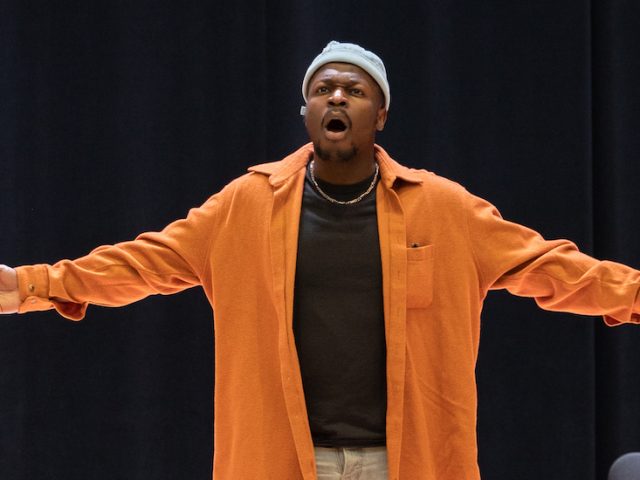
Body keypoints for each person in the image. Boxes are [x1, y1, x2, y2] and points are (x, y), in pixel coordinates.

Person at [0, 40, 639, 480]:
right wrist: (29, 285)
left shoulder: (443, 208)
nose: (337, 99)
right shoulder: (245, 206)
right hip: (279, 458)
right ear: (305, 111)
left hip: (406, 459)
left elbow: (554, 267)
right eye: (323, 89)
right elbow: (142, 262)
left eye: (354, 90)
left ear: (379, 113)